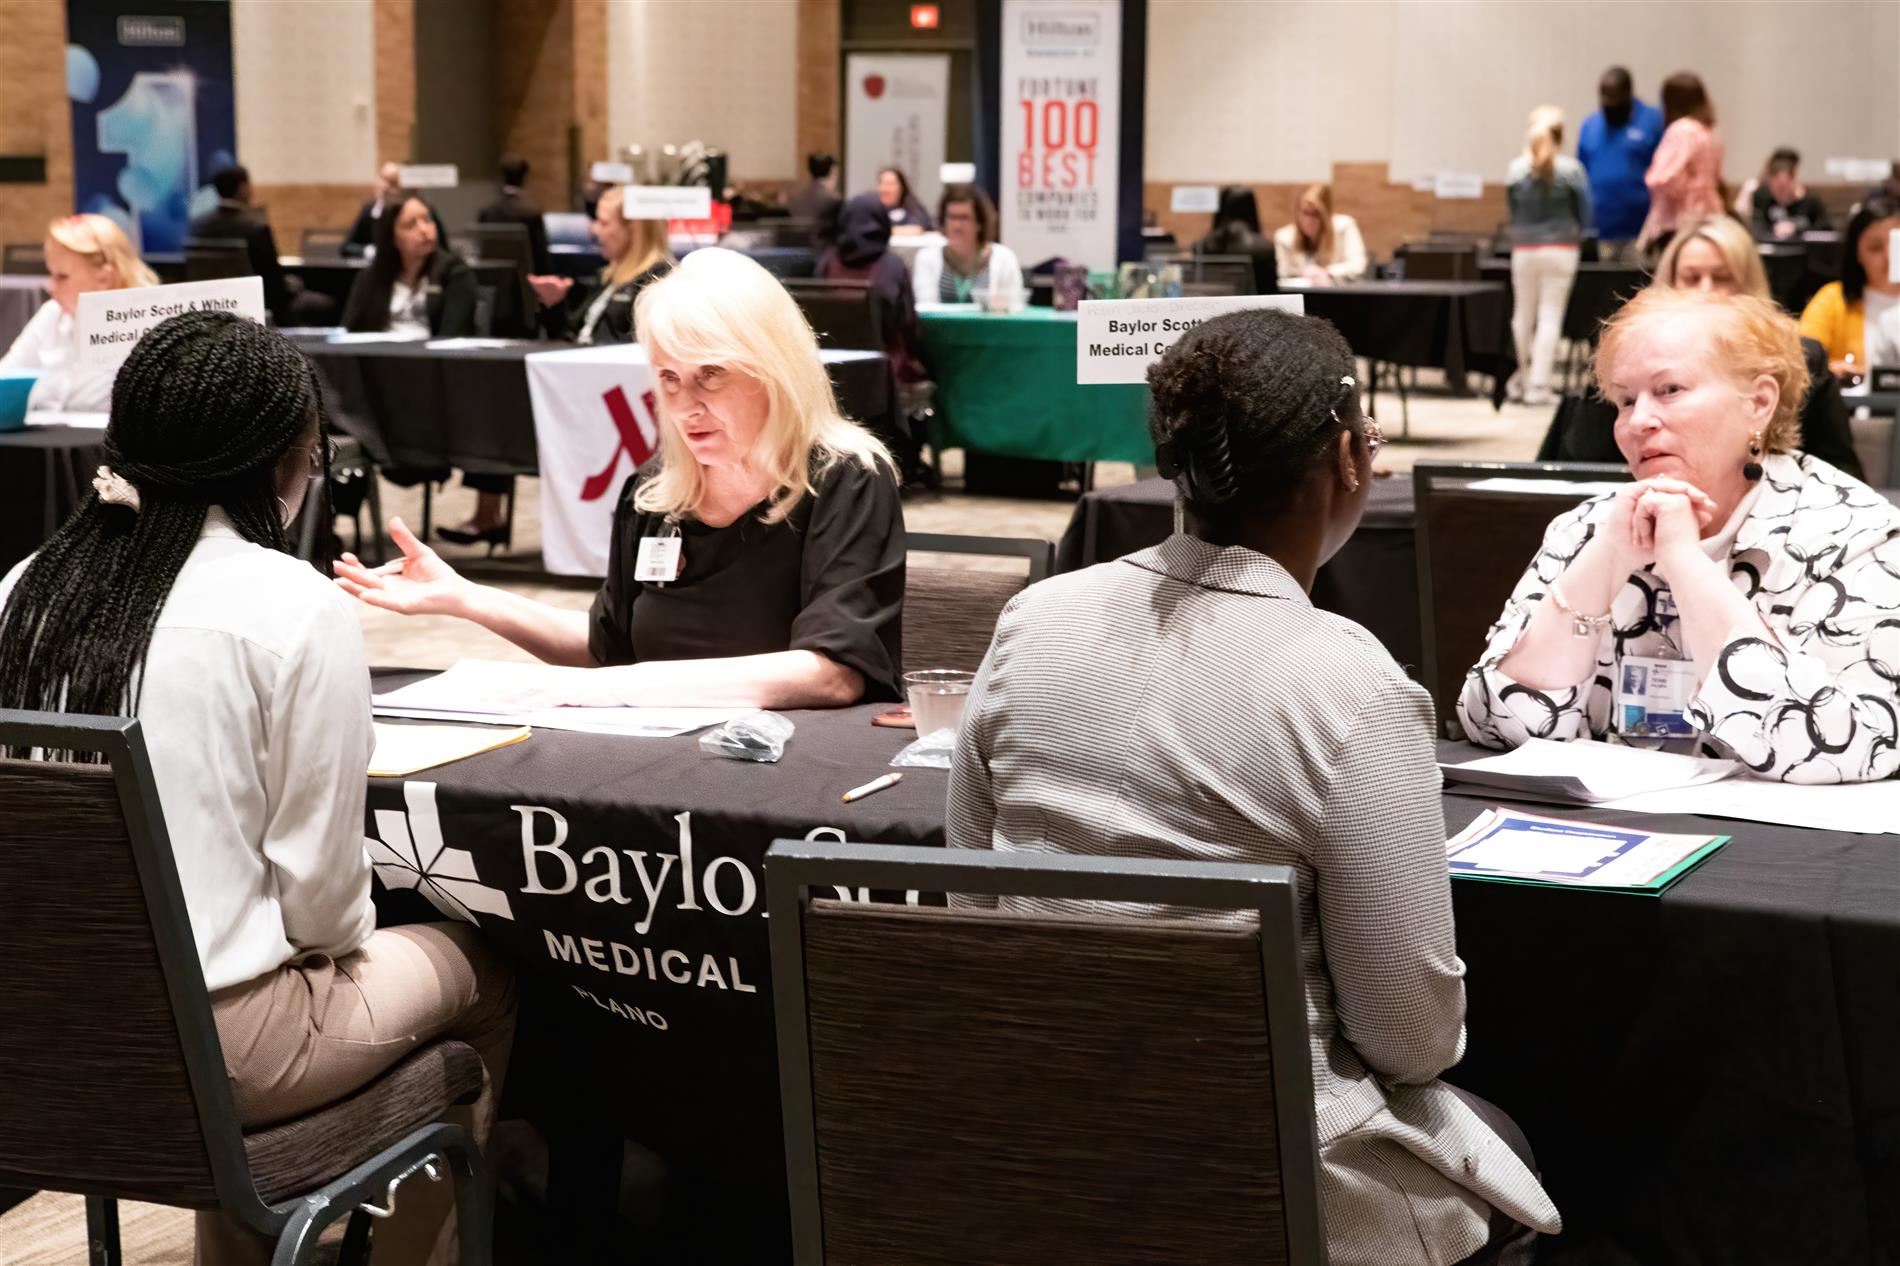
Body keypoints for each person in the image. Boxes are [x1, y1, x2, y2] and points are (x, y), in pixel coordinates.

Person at [948, 307, 1560, 1266]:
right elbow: (1411, 1039)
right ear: (1350, 460)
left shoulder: (1033, 621)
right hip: (1277, 1174)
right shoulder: (1351, 682)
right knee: (1511, 1148)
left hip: (1047, 1138)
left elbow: (973, 900)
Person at [0, 310, 516, 1265]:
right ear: (283, 465)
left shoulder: (24, 590)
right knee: (477, 969)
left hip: (34, 1030)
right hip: (221, 1051)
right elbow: (322, 907)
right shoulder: (292, 607)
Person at [334, 247, 906, 707]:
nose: (686, 406)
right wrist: (465, 597)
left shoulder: (845, 478)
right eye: (670, 378)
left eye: (710, 375)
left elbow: (832, 673)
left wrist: (613, 691)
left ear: (774, 369)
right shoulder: (658, 493)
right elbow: (608, 649)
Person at [1464, 287, 1900, 782]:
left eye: (1669, 390)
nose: (1638, 422)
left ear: (1758, 403)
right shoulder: (1587, 529)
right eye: (1625, 400)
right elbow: (1494, 724)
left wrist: (1684, 562)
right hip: (1614, 833)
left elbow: (1841, 748)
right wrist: (1605, 559)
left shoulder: (1856, 535)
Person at [1540, 216, 1862, 476]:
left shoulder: (1802, 357)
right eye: (1692, 277)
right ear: (1668, 282)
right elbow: (1581, 469)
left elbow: (1842, 472)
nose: (1707, 290)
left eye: (1723, 277)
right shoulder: (1629, 357)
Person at [0, 213, 158, 414]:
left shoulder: (147, 323)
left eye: (62, 276)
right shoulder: (53, 314)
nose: (50, 286)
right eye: (51, 274)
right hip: (48, 442)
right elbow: (5, 379)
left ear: (104, 279)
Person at [1507, 106, 1592, 406]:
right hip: (1561, 250)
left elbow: (1513, 212)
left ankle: (1521, 377)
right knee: (1549, 316)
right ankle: (1539, 385)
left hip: (1524, 250)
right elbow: (1586, 213)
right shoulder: (1571, 170)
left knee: (1522, 316)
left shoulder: (1517, 169)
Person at [528, 185, 671, 348]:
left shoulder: (658, 281)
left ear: (632, 231)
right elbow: (570, 337)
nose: (594, 230)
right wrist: (554, 303)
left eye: (604, 223)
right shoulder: (608, 277)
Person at [820, 193, 926, 385]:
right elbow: (908, 324)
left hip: (831, 375)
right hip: (887, 376)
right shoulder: (892, 266)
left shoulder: (827, 263)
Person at [340, 191, 477, 339]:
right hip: (379, 358)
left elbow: (451, 340)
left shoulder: (455, 273)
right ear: (392, 237)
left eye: (427, 220)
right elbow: (348, 335)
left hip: (430, 359)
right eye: (410, 225)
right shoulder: (371, 277)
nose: (424, 230)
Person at [1799, 194, 1900, 378]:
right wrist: (1831, 371)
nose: (1888, 257)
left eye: (1896, 245)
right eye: (1875, 248)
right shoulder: (1832, 299)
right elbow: (1801, 360)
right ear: (1857, 253)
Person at [1576, 66, 1664, 259]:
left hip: (1641, 232)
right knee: (1607, 288)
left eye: (1614, 98)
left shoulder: (1653, 121)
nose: (1609, 104)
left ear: (1628, 93)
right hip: (1603, 230)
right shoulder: (1590, 126)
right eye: (1605, 98)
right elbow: (1581, 174)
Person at [1639, 72, 1724, 258]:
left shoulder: (1682, 130)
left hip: (1679, 222)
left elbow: (1663, 178)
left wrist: (1683, 194)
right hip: (1709, 217)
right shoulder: (1709, 132)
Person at [909, 184, 1024, 308]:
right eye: (952, 217)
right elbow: (925, 308)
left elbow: (1014, 308)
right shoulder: (927, 258)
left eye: (964, 218)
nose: (957, 225)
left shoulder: (1004, 259)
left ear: (979, 223)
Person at [1272, 183, 1367, 285]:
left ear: (1327, 215)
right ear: (1297, 212)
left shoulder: (1344, 227)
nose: (1309, 220)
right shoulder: (1284, 237)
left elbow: (1358, 265)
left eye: (1316, 214)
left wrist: (1327, 272)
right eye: (1305, 213)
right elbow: (1282, 275)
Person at [477, 153, 552, 275]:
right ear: (524, 179)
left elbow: (481, 251)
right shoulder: (532, 214)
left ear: (503, 179)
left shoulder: (487, 213)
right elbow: (541, 256)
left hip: (493, 282)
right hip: (526, 283)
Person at [1748, 151, 1828, 239]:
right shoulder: (1764, 201)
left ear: (1794, 180)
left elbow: (1826, 230)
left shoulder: (1812, 203)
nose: (1781, 193)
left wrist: (1796, 228)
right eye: (1777, 188)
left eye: (1784, 187)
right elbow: (1757, 230)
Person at [790, 152, 843, 249]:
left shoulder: (796, 198)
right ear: (832, 172)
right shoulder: (833, 200)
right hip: (822, 252)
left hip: (798, 251)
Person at [876, 166, 933, 233]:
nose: (885, 189)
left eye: (890, 184)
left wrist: (886, 231)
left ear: (901, 187)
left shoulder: (912, 206)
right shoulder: (871, 208)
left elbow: (917, 228)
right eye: (882, 184)